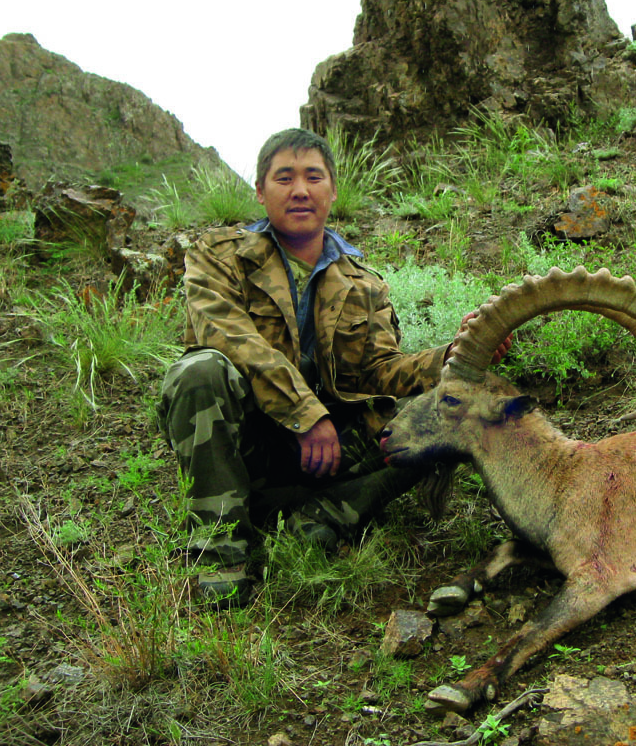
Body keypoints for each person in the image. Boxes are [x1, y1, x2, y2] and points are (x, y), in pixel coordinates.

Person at [158, 128, 507, 606]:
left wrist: (450, 356)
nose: (300, 189)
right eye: (284, 177)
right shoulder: (217, 257)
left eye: (313, 177)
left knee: (445, 412)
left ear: (333, 191)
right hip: (252, 443)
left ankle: (328, 514)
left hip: (330, 454)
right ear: (261, 191)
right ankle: (221, 548)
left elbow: (380, 370)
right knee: (198, 371)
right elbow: (228, 337)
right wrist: (307, 415)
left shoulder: (364, 284)